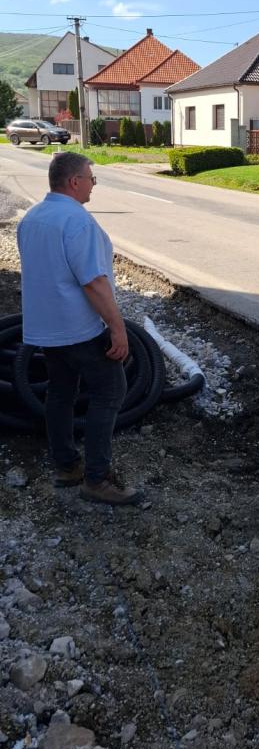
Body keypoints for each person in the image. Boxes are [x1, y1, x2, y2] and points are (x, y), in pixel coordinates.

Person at [17, 151, 141, 505]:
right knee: (110, 390)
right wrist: (117, 328)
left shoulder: (32, 218)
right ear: (74, 181)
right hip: (79, 327)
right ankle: (97, 480)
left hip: (46, 328)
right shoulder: (77, 221)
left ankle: (67, 467)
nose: (93, 185)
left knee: (60, 392)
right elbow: (94, 282)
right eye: (91, 178)